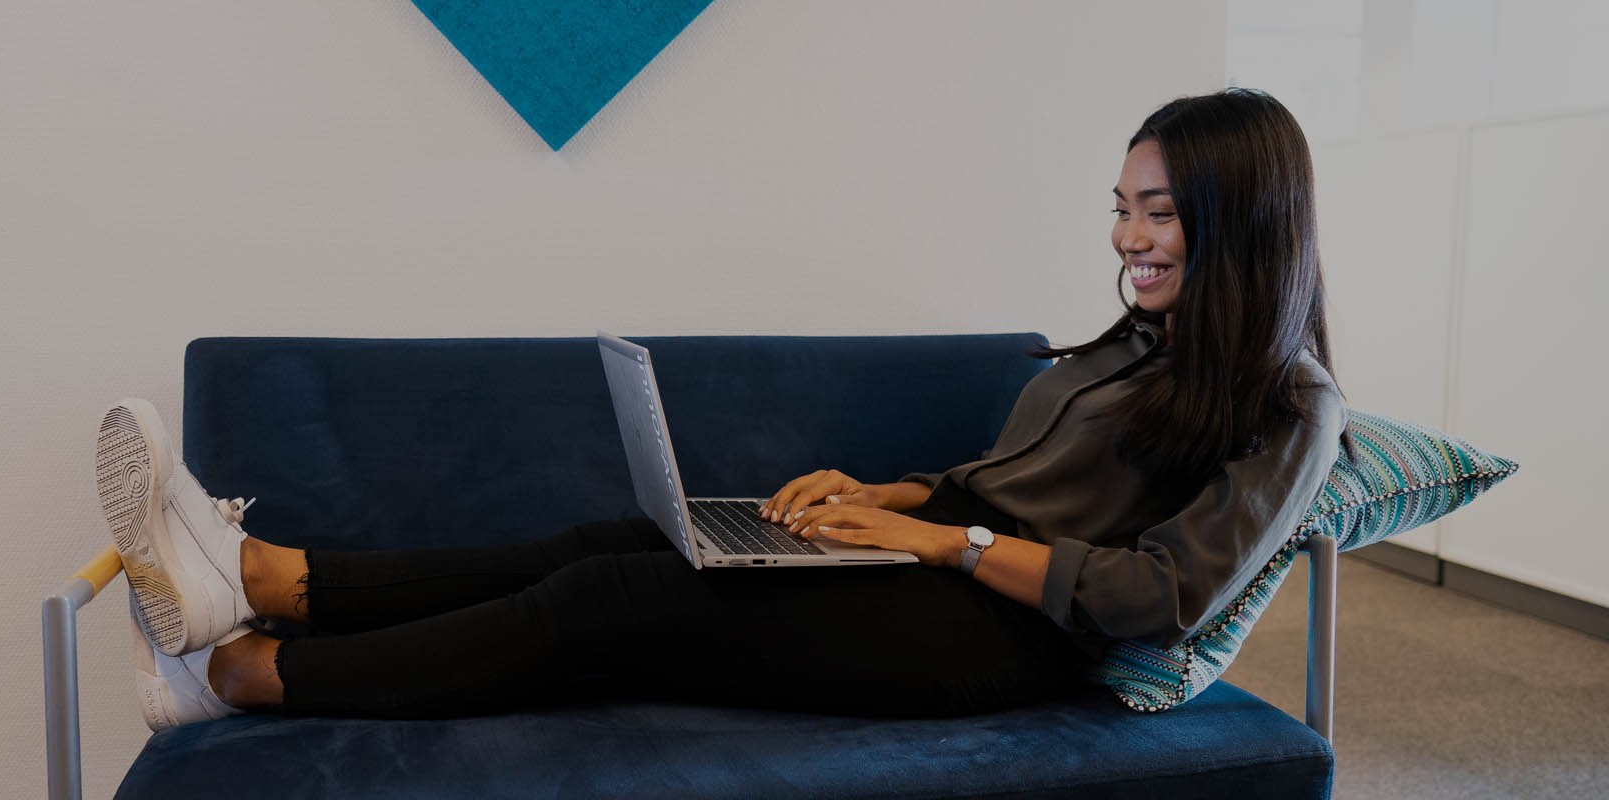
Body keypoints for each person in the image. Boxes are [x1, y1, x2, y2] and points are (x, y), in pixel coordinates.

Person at [96, 88, 1347, 731]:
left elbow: (1159, 595)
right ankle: (262, 577)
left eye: (1160, 212)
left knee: (618, 603)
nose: (1126, 237)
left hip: (994, 639)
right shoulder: (1142, 341)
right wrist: (887, 496)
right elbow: (1008, 475)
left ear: (1245, 218)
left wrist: (941, 541)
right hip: (935, 559)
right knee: (620, 538)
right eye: (1122, 206)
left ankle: (250, 680)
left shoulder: (1292, 405)